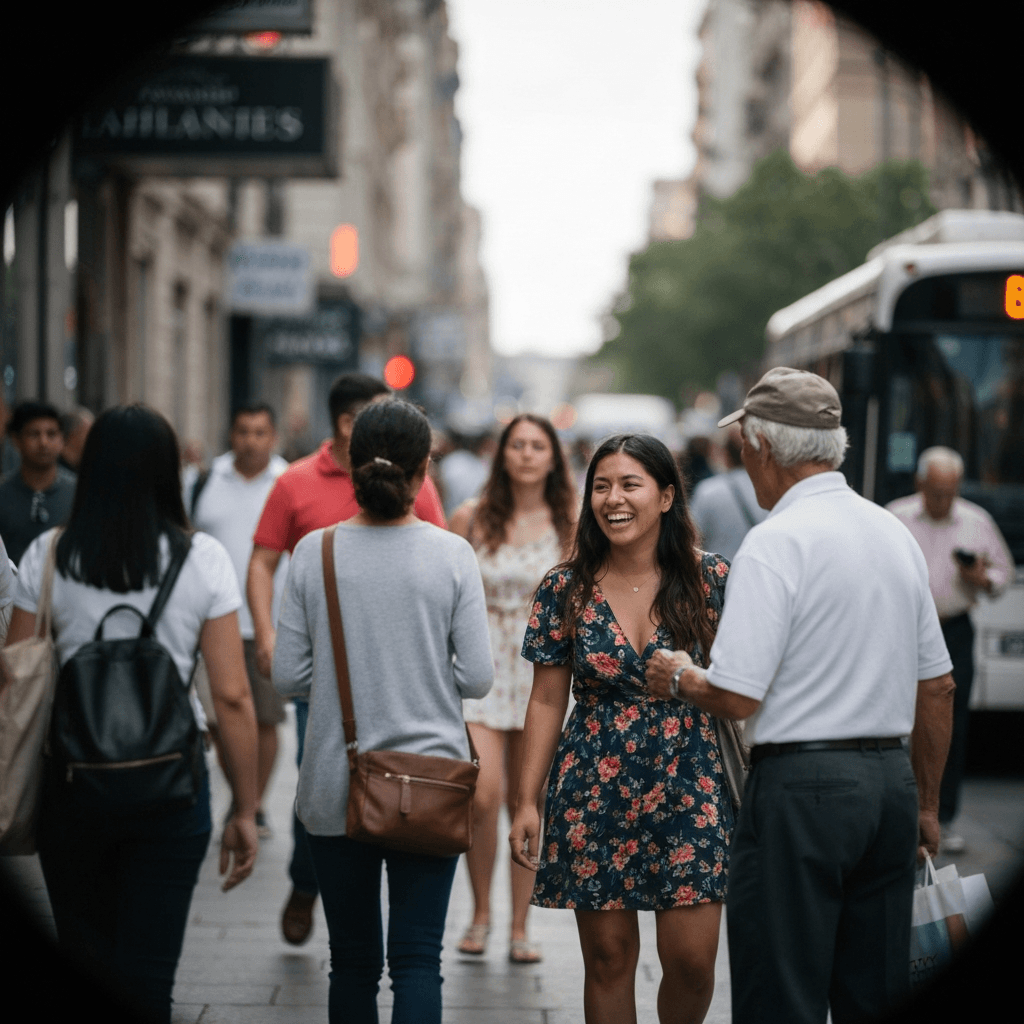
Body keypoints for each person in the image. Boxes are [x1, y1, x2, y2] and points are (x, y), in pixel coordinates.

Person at [646, 367, 956, 1024]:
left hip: (802, 790)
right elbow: (939, 685)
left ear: (760, 448)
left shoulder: (775, 543)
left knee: (779, 992)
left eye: (744, 449)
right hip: (888, 788)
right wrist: (926, 805)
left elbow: (734, 695)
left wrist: (675, 675)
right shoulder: (892, 533)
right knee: (873, 991)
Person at [3, 404, 259, 1024]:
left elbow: (14, 670)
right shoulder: (202, 560)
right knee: (149, 976)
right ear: (168, 471)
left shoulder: (50, 553)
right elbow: (230, 695)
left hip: (72, 785)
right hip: (170, 787)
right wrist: (245, 808)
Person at [272, 398, 492, 1024]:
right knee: (419, 959)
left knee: (352, 963)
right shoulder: (452, 555)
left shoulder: (315, 553)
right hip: (431, 781)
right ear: (426, 467)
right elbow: (477, 677)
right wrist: (418, 673)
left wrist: (355, 685)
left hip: (335, 786)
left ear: (349, 460)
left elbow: (289, 674)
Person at [509, 434, 734, 1024]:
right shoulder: (566, 586)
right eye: (601, 486)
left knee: (692, 962)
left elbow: (747, 684)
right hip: (595, 783)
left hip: (692, 782)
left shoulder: (712, 580)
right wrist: (526, 800)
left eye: (630, 484)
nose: (614, 499)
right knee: (608, 959)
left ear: (665, 497)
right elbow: (546, 698)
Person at [247, 371, 447, 946]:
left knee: (387, 792)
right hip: (324, 677)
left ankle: (362, 891)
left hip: (400, 677)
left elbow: (434, 564)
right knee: (326, 787)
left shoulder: (417, 485)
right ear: (345, 424)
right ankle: (308, 881)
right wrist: (267, 634)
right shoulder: (295, 483)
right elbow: (262, 563)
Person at [449, 414, 577, 964]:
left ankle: (520, 926)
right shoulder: (471, 517)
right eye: (517, 445)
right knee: (483, 793)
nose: (526, 454)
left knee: (529, 799)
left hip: (540, 672)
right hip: (481, 666)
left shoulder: (570, 523)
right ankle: (480, 912)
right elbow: (445, 589)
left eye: (537, 446)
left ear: (553, 457)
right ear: (501, 454)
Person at [887, 445, 1013, 854]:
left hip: (954, 628)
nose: (942, 500)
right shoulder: (895, 515)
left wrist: (982, 578)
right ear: (920, 483)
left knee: (950, 722)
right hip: (903, 626)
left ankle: (943, 815)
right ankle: (898, 811)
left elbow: (1003, 574)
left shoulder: (977, 521)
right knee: (897, 715)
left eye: (949, 492)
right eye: (935, 491)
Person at [190, 401, 290, 839]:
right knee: (216, 718)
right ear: (231, 434)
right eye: (243, 431)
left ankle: (255, 804)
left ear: (274, 437)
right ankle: (240, 797)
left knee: (265, 718)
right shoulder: (203, 481)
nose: (251, 440)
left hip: (269, 622)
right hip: (209, 622)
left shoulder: (288, 481)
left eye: (260, 432)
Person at [0, 400, 76, 564]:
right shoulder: (3, 494)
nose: (44, 443)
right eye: (34, 434)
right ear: (16, 440)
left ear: (62, 439)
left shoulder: (79, 492)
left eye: (51, 434)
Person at [689, 424, 767, 561]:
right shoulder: (769, 488)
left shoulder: (708, 490)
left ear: (724, 452)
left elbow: (692, 539)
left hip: (719, 576)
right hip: (760, 570)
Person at [58, 406, 94, 472]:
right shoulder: (53, 469)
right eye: (90, 434)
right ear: (74, 433)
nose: (94, 439)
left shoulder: (82, 467)